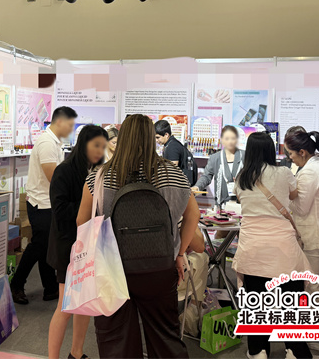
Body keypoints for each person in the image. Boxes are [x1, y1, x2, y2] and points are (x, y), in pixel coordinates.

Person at [77, 114, 200, 359]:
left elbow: (82, 222)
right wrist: (179, 253)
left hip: (112, 269)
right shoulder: (173, 174)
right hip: (160, 267)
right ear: (151, 139)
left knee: (116, 339)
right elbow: (193, 216)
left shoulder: (100, 176)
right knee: (165, 335)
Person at [233, 133, 315, 359]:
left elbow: (240, 199)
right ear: (271, 150)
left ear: (249, 151)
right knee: (290, 302)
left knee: (256, 304)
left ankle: (258, 351)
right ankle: (295, 351)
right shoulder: (284, 172)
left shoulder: (241, 177)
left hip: (252, 248)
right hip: (283, 249)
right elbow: (293, 195)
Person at [47, 125, 108, 359]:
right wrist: (88, 208)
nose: (99, 150)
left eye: (102, 146)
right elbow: (60, 210)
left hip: (90, 244)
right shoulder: (64, 170)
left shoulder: (100, 172)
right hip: (68, 246)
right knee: (65, 306)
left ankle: (77, 353)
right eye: (95, 145)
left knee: (85, 303)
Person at [11, 106, 77, 305]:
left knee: (47, 245)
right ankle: (16, 284)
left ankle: (50, 288)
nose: (71, 129)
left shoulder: (54, 142)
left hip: (47, 202)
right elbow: (54, 178)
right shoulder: (47, 143)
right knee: (39, 245)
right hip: (41, 203)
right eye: (70, 124)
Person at [284, 131, 319, 282]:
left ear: (302, 152)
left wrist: (285, 196)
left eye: (291, 153)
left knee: (311, 282)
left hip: (313, 234)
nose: (290, 158)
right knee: (315, 278)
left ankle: (314, 299)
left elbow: (301, 208)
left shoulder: (310, 172)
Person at [192, 125, 243, 206]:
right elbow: (206, 177)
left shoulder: (244, 156)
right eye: (227, 138)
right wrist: (197, 187)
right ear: (222, 140)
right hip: (221, 203)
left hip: (241, 202)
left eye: (233, 138)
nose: (230, 141)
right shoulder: (215, 158)